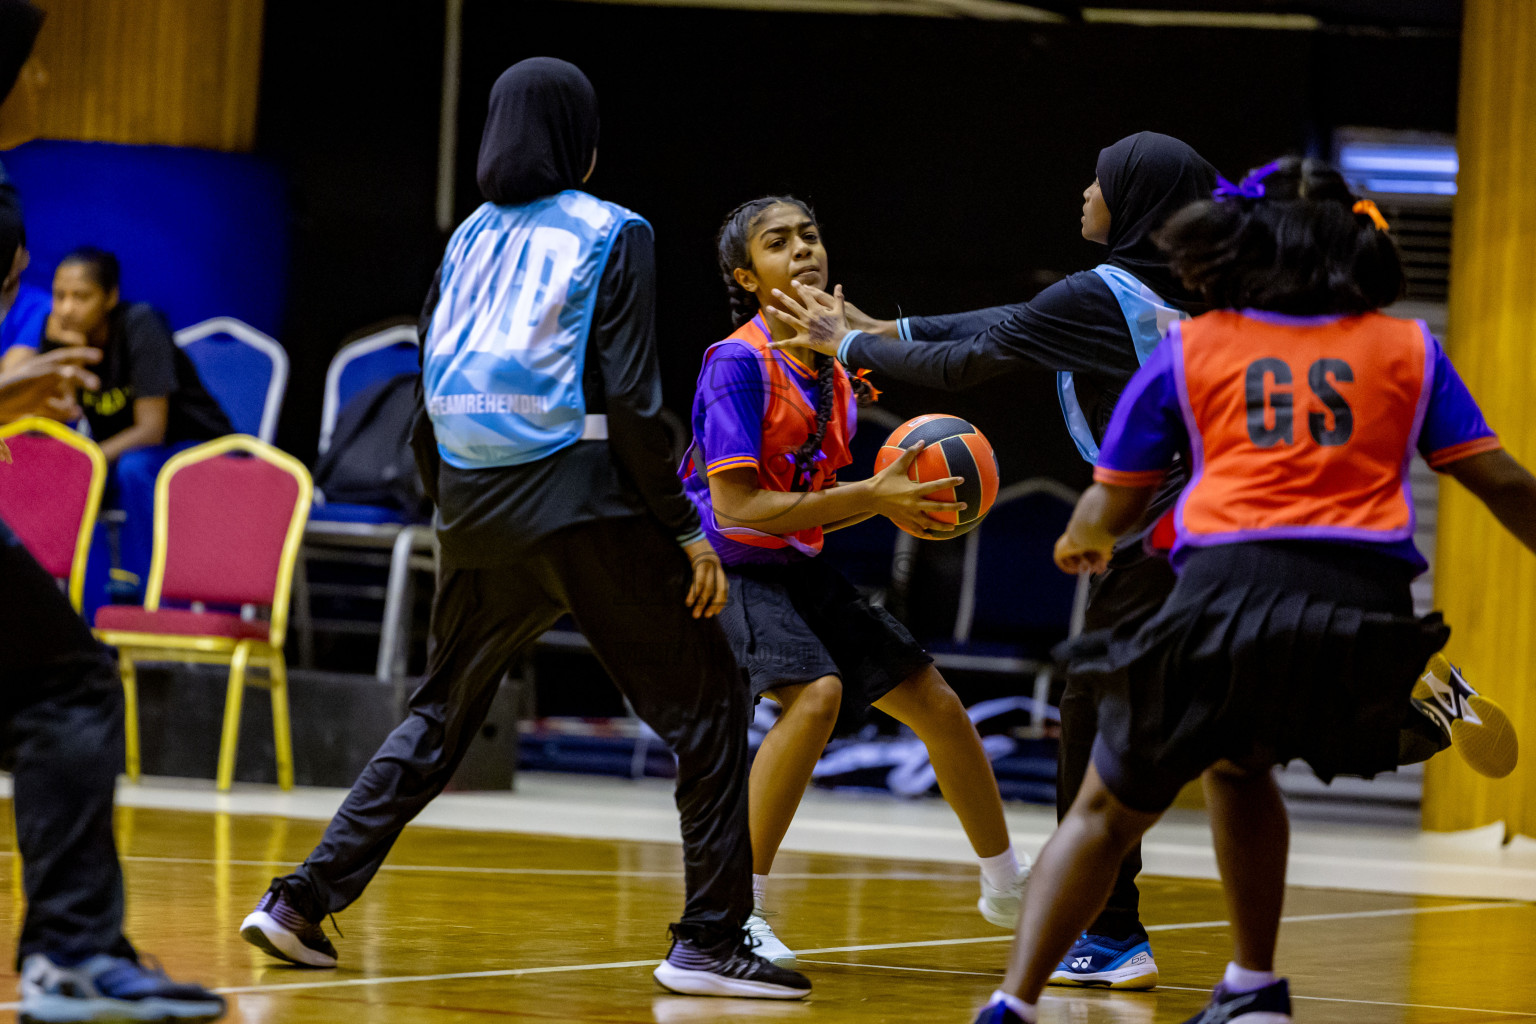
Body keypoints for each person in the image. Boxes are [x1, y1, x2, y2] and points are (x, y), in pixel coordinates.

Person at [769, 132, 1516, 990]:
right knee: (1238, 711)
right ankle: (1398, 682)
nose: (1084, 188)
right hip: (1246, 519)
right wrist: (875, 329)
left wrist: (849, 347)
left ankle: (1110, 935)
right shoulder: (1206, 289)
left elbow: (972, 359)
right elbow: (993, 326)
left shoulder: (1102, 294)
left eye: (1101, 177)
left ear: (1132, 197)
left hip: (1168, 522)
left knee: (1099, 715)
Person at [237, 58, 811, 1001]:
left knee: (438, 713)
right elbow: (630, 398)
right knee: (710, 705)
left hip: (471, 506)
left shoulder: (464, 238)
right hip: (579, 499)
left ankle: (301, 902)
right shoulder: (612, 228)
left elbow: (425, 391)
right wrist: (683, 528)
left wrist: (449, 505)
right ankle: (710, 938)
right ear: (582, 138)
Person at [968, 156, 1536, 1024]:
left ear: (1235, 242)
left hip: (1226, 595)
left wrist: (1082, 538)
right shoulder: (1409, 348)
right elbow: (1504, 485)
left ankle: (1014, 1002)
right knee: (1241, 762)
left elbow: (1112, 503)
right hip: (1364, 617)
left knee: (1104, 811)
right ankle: (1252, 987)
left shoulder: (1192, 347)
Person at [682, 196, 1030, 967]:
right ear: (748, 274)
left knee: (937, 703)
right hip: (721, 565)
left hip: (791, 561)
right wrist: (873, 499)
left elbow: (810, 508)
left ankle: (1009, 887)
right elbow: (737, 505)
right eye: (779, 243)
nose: (804, 249)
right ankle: (734, 914)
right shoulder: (737, 362)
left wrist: (891, 505)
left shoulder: (837, 367)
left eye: (811, 234)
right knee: (817, 694)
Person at [0, 59, 227, 1024]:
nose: (44, 71)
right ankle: (72, 952)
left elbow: (149, 423)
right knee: (68, 682)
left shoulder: (137, 328)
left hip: (182, 458)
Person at [23, 247, 231, 605]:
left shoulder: (141, 325)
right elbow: (48, 426)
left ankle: (155, 607)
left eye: (81, 296)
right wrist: (63, 360)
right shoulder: (59, 336)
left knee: (132, 469)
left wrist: (86, 460)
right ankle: (65, 611)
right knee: (48, 471)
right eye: (59, 296)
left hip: (196, 449)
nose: (67, 308)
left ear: (110, 297)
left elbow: (152, 430)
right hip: (121, 457)